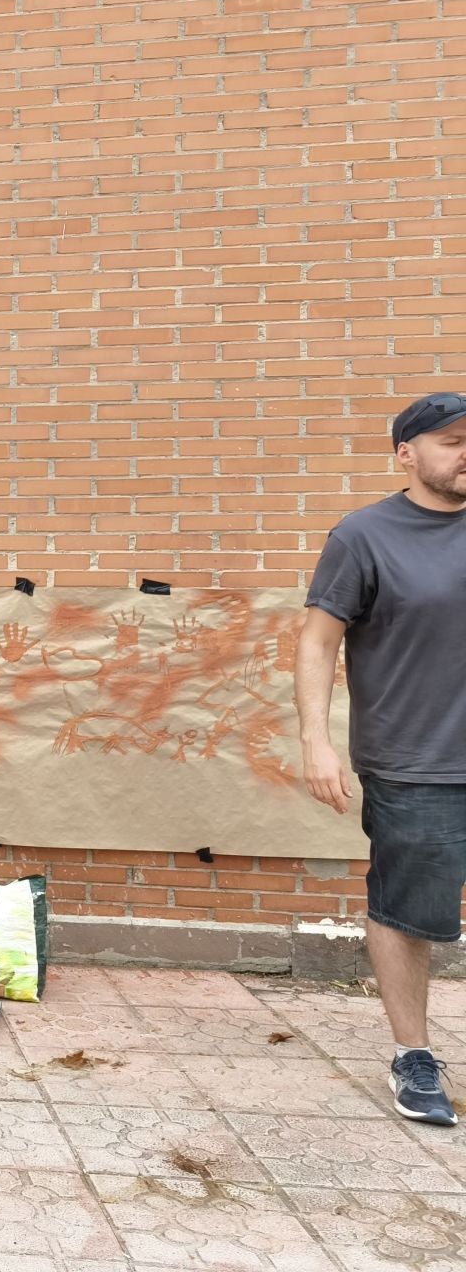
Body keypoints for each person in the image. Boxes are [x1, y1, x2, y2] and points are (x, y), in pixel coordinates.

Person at [298, 391, 466, 1127]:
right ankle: (413, 1055)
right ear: (407, 453)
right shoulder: (365, 536)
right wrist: (315, 739)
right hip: (416, 762)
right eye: (453, 441)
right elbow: (317, 640)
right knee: (408, 913)